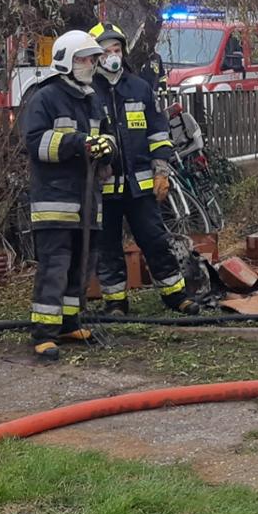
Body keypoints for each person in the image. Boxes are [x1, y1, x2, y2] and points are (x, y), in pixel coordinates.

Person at [22, 30, 117, 360]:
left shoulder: (91, 98)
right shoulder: (45, 98)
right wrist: (80, 143)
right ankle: (44, 333)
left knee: (82, 264)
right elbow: (35, 143)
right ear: (66, 61)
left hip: (87, 201)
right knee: (56, 266)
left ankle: (68, 322)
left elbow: (106, 136)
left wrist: (107, 149)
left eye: (93, 59)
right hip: (55, 201)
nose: (92, 64)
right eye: (85, 59)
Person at [87, 22, 190, 315]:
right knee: (107, 247)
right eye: (106, 51)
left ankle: (175, 294)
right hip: (104, 189)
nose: (113, 56)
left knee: (155, 240)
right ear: (95, 57)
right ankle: (115, 302)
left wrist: (161, 172)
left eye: (116, 49)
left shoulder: (140, 88)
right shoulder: (88, 92)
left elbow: (158, 134)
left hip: (141, 186)